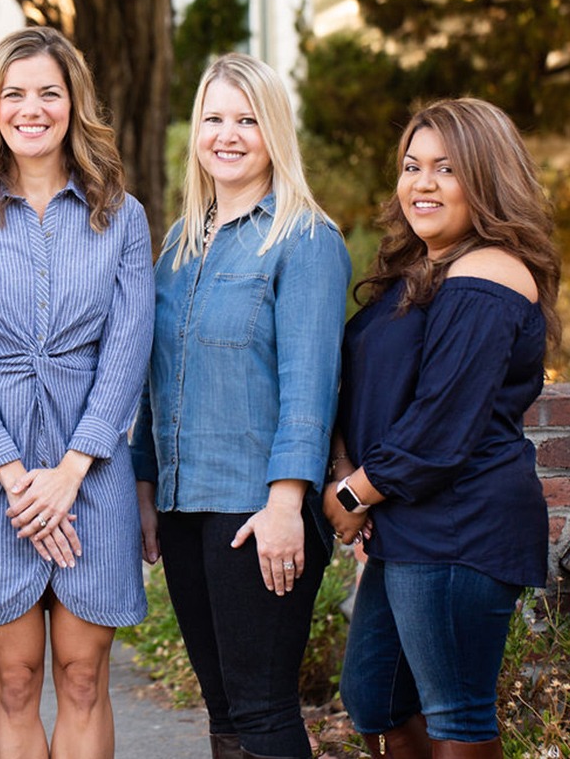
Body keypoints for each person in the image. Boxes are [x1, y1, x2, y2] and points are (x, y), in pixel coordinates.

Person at [0, 26, 154, 758]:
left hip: (94, 477)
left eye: (48, 93)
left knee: (84, 678)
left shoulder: (123, 216)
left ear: (72, 104)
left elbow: (127, 349)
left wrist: (72, 472)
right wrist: (20, 480)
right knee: (15, 682)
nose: (32, 108)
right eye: (14, 94)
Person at [324, 98, 561, 759]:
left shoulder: (489, 272)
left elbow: (439, 427)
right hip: (410, 525)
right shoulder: (426, 271)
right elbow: (369, 389)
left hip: (461, 524)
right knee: (376, 697)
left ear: (486, 179)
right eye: (411, 166)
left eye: (445, 168)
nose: (420, 183)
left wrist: (353, 495)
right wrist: (344, 464)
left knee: (456, 713)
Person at [130, 53, 351, 759]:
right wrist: (144, 489)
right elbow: (152, 380)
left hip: (257, 509)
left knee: (261, 711)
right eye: (213, 118)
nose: (228, 134)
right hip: (184, 506)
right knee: (223, 712)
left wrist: (286, 504)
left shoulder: (305, 240)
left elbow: (310, 385)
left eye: (247, 119)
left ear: (273, 131)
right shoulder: (177, 247)